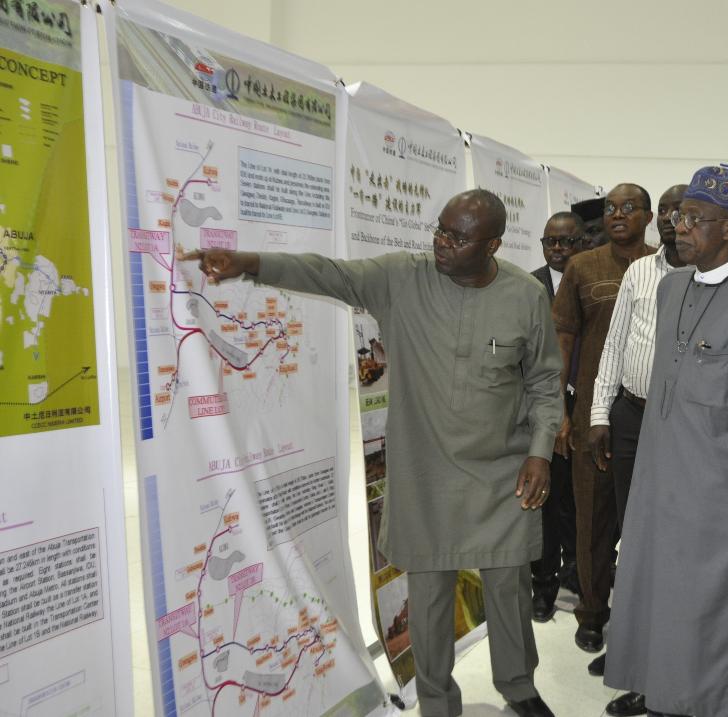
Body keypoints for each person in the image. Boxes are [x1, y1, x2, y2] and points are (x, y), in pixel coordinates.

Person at [183, 189, 562, 717]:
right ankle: (436, 702)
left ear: (492, 244)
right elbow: (329, 274)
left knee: (509, 591)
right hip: (423, 473)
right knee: (428, 603)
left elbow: (545, 380)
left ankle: (519, 688)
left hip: (502, 473)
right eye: (440, 230)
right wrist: (250, 263)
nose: (442, 243)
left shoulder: (525, 295)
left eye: (458, 237)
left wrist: (541, 451)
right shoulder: (401, 277)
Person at [604, 165, 728, 716]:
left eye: (695, 219)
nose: (679, 228)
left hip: (722, 492)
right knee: (660, 597)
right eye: (679, 216)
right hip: (659, 481)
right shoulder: (668, 287)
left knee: (713, 608)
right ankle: (662, 696)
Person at [585, 183, 687, 717]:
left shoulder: (717, 277)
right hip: (630, 416)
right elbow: (614, 343)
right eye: (667, 210)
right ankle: (630, 647)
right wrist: (601, 414)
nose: (674, 219)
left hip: (685, 428)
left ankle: (661, 662)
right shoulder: (640, 272)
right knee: (631, 535)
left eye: (682, 210)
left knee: (670, 546)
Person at [552, 184, 654, 654]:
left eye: (629, 208)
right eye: (611, 208)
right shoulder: (581, 267)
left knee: (643, 523)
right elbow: (564, 339)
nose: (618, 215)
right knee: (591, 518)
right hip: (591, 413)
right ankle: (592, 613)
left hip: (647, 417)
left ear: (649, 217)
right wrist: (559, 411)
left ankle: (639, 616)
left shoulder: (667, 266)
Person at [530, 211, 585, 622]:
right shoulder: (527, 286)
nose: (558, 249)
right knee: (546, 507)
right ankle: (544, 586)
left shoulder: (595, 281)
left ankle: (579, 575)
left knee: (581, 504)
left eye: (567, 241)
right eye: (551, 241)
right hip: (540, 413)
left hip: (587, 410)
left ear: (581, 243)